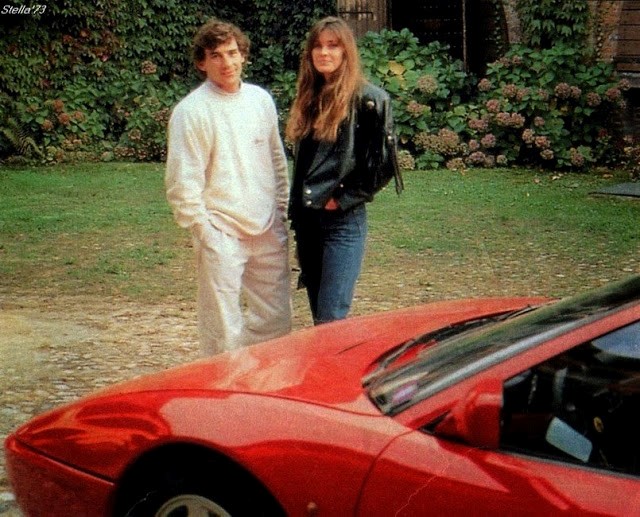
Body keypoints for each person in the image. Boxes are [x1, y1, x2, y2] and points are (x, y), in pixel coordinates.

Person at [166, 18, 291, 355]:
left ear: (244, 55)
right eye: (216, 55)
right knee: (222, 328)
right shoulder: (191, 111)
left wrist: (280, 212)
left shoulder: (260, 100)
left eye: (233, 52)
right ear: (201, 63)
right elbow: (182, 180)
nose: (227, 63)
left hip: (267, 227)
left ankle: (264, 391)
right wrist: (203, 230)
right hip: (220, 230)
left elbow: (276, 161)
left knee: (276, 321)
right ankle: (223, 396)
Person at [286, 16, 403, 325]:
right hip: (308, 223)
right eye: (318, 46)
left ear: (346, 52)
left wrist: (341, 197)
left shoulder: (370, 100)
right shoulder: (309, 97)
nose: (324, 53)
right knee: (318, 318)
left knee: (331, 319)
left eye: (333, 46)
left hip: (342, 222)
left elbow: (383, 165)